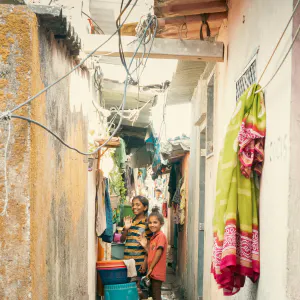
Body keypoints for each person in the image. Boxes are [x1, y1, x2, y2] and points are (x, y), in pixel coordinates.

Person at [121, 196, 152, 298]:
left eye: (138, 204)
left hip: (139, 262)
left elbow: (150, 245)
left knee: (137, 288)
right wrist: (126, 229)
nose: (134, 207)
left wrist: (145, 262)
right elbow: (122, 239)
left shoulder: (148, 224)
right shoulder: (130, 221)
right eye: (133, 205)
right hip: (127, 261)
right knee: (131, 288)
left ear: (145, 207)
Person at [138, 207, 168, 300]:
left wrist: (150, 268)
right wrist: (145, 246)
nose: (152, 225)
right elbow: (151, 253)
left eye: (155, 222)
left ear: (161, 224)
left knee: (156, 294)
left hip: (157, 272)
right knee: (152, 295)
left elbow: (158, 253)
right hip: (152, 272)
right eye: (150, 222)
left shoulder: (161, 236)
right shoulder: (153, 238)